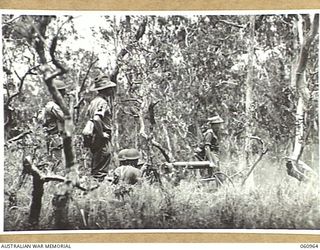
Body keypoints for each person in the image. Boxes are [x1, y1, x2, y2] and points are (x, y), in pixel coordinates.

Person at [82, 75, 116, 180]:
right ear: (106, 89)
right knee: (102, 165)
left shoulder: (93, 101)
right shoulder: (102, 102)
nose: (112, 90)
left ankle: (93, 187)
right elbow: (96, 119)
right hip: (101, 137)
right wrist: (102, 134)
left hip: (95, 136)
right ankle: (97, 189)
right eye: (110, 88)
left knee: (96, 165)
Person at [42, 79, 68, 158]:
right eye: (63, 91)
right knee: (57, 163)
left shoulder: (54, 105)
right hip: (55, 137)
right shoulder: (53, 107)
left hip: (56, 137)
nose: (65, 94)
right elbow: (66, 118)